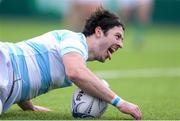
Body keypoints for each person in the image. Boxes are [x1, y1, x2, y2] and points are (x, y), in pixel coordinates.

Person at [0, 7, 142, 120]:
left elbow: (25, 71)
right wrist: (120, 103)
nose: (121, 44)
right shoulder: (74, 40)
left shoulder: (75, 54)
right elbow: (76, 72)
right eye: (117, 37)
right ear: (98, 31)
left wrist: (28, 106)